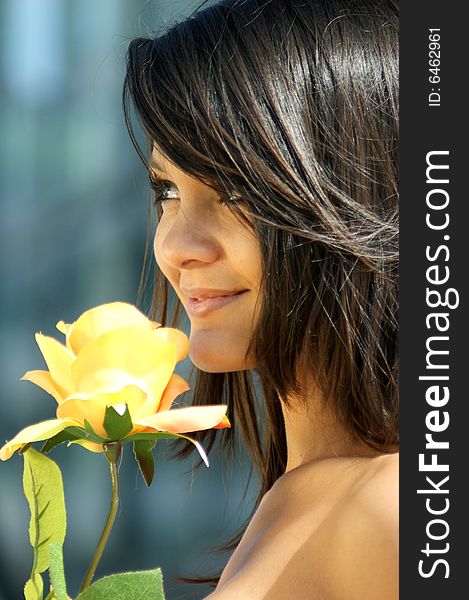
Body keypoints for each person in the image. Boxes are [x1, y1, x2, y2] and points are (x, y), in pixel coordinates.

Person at [123, 0, 399, 597]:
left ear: (354, 188)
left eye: (233, 190)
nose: (176, 247)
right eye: (167, 189)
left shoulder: (390, 509)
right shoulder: (306, 493)